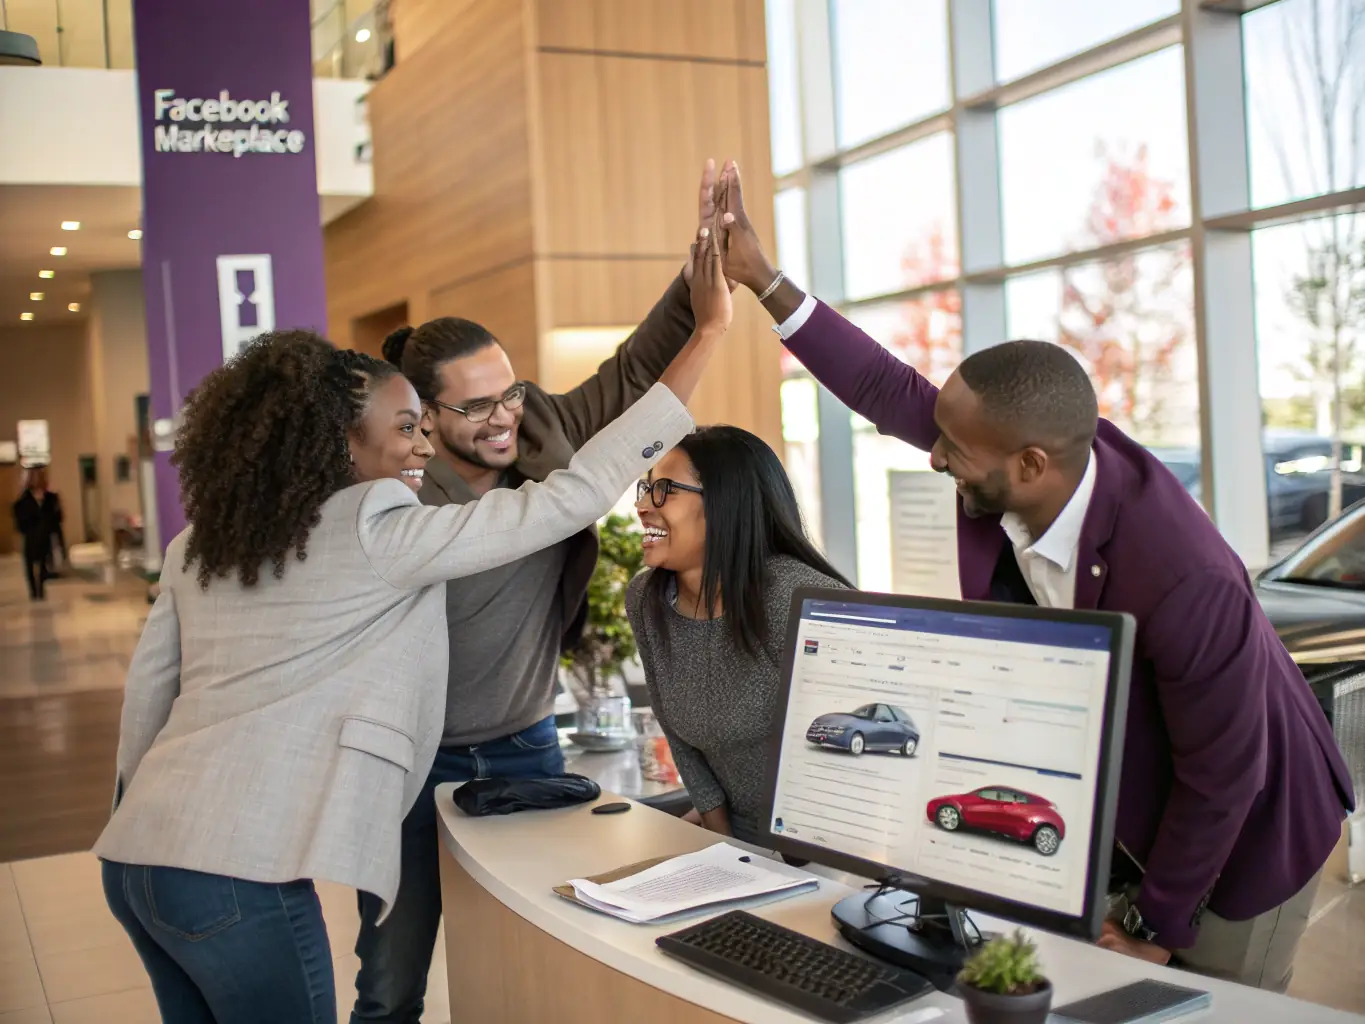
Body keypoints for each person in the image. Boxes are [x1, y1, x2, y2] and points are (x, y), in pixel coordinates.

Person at [712, 160, 1354, 991]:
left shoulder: (1180, 574)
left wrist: (1156, 923)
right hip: (1131, 809)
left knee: (1212, 1002)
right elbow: (881, 385)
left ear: (1029, 464)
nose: (933, 456)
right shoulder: (1018, 452)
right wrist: (762, 280)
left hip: (1252, 826)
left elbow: (1224, 774)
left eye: (951, 450)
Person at [93, 229, 726, 1024]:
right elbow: (569, 499)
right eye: (406, 427)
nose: (419, 443)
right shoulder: (377, 524)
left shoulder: (202, 542)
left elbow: (146, 705)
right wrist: (711, 332)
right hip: (235, 873)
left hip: (138, 856)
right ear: (340, 441)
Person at [351, 162, 729, 1023]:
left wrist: (702, 260)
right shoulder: (397, 496)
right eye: (476, 407)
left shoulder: (543, 428)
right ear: (425, 417)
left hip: (526, 744)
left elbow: (638, 365)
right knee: (392, 979)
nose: (503, 417)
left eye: (511, 393)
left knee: (541, 955)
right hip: (413, 759)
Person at [625, 426, 850, 844]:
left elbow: (851, 751)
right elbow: (678, 736)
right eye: (645, 489)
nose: (641, 506)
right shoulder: (646, 598)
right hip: (740, 835)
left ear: (724, 503)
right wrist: (725, 846)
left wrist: (786, 859)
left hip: (832, 842)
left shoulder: (797, 599)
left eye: (664, 491)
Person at [13, 466, 63, 601]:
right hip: (31, 536)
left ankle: (40, 589)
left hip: (45, 536)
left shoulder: (50, 498)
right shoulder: (25, 499)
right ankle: (33, 591)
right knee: (29, 564)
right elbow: (18, 515)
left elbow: (57, 519)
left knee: (43, 564)